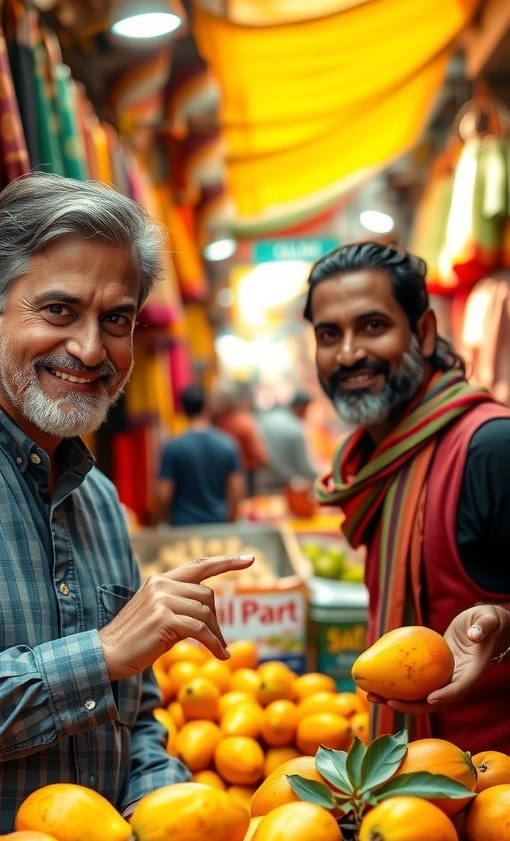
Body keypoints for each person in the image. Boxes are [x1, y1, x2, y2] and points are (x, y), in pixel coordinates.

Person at [0, 171, 255, 841]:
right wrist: (99, 654)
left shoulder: (101, 500)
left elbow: (134, 713)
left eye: (117, 319)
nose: (90, 348)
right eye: (58, 310)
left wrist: (164, 815)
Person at [303, 240, 510, 754]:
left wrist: (503, 628)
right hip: (414, 805)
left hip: (493, 799)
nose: (348, 353)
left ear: (422, 331)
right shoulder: (377, 462)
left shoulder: (490, 447)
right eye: (330, 334)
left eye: (373, 326)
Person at [154, 383, 246, 525]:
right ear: (207, 407)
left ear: (183, 410)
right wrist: (231, 520)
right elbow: (237, 489)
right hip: (219, 524)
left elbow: (163, 495)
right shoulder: (227, 444)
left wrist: (164, 519)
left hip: (183, 527)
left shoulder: (173, 448)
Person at [254, 390, 321, 496]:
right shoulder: (295, 429)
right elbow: (305, 467)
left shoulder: (266, 419)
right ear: (302, 407)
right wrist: (323, 475)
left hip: (262, 485)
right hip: (287, 489)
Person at [211, 381, 269, 497]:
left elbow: (261, 458)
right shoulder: (242, 423)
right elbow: (261, 459)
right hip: (238, 480)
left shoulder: (215, 424)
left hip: (228, 481)